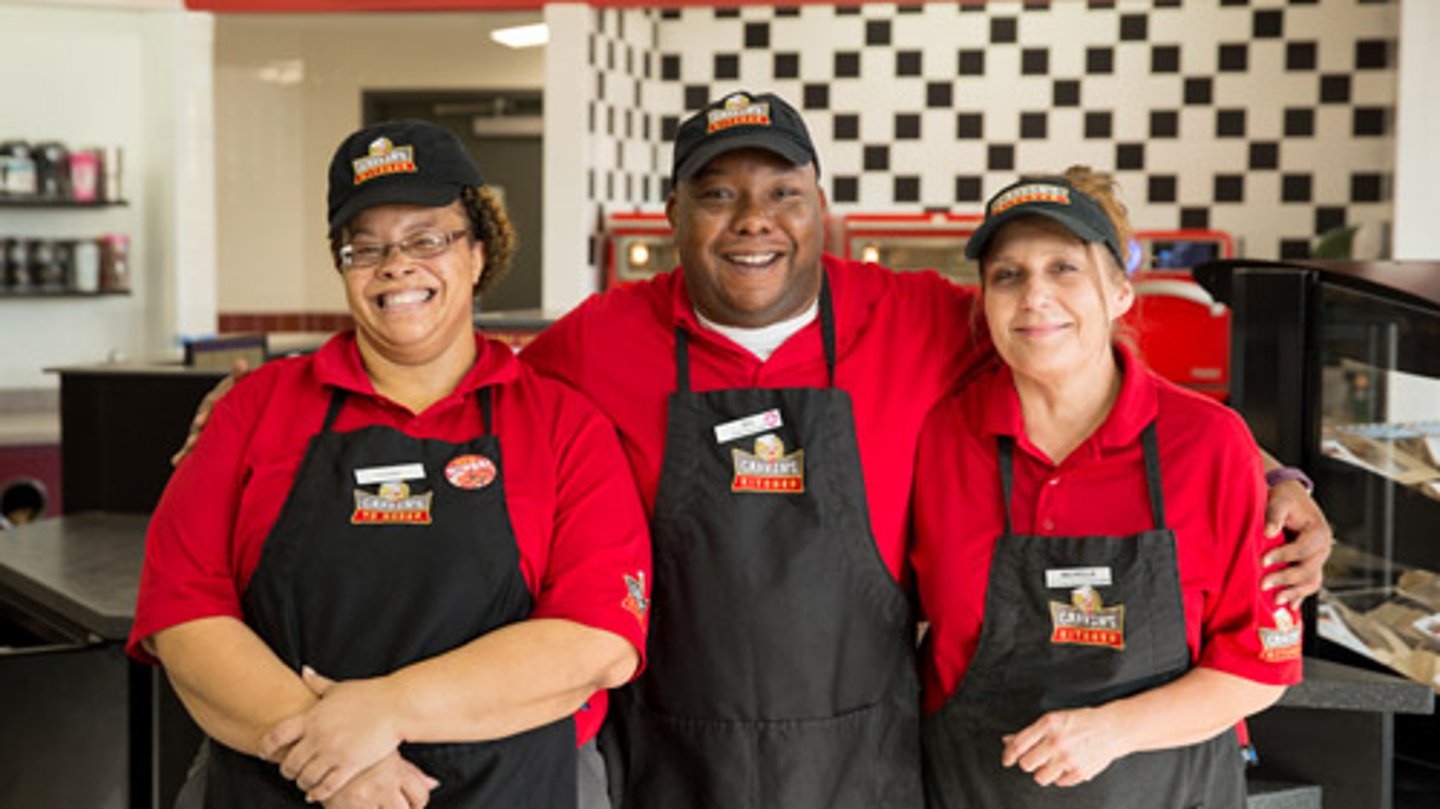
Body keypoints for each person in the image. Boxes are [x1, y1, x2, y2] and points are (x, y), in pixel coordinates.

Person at [177, 93, 1332, 809]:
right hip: (669, 747)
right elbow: (444, 396)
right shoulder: (591, 348)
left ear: (820, 202)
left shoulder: (918, 317)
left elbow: (1072, 363)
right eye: (716, 192)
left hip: (866, 754)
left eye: (781, 188)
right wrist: (239, 414)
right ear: (673, 212)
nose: (752, 218)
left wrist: (1270, 480)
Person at [128, 120, 651, 809]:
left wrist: (380, 713)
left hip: (519, 786)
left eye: (427, 239)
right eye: (365, 247)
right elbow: (184, 611)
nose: (395, 265)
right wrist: (344, 765)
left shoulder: (562, 425)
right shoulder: (255, 408)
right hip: (278, 781)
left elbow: (597, 640)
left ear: (478, 251)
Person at [911, 168, 1302, 808]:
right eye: (1008, 274)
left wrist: (1111, 731)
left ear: (1120, 291)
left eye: (1064, 268)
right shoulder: (940, 439)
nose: (1034, 295)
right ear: (984, 300)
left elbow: (1260, 664)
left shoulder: (1210, 445)